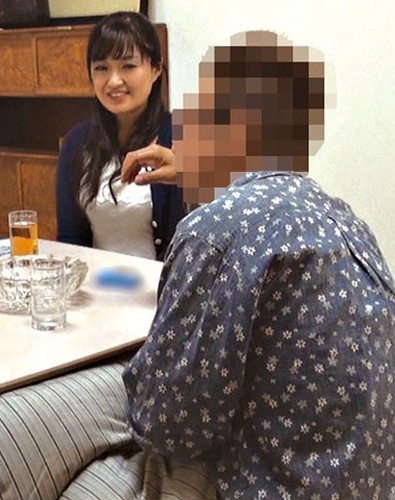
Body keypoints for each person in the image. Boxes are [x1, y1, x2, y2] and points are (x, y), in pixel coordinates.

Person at [122, 31, 395, 498]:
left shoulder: (215, 232)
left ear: (236, 124)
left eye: (196, 113)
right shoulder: (346, 221)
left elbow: (163, 423)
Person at [55, 11, 185, 261]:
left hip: (163, 283)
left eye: (128, 66)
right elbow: (71, 239)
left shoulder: (182, 136)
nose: (114, 81)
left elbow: (188, 247)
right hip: (97, 282)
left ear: (156, 69)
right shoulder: (76, 142)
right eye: (102, 68)